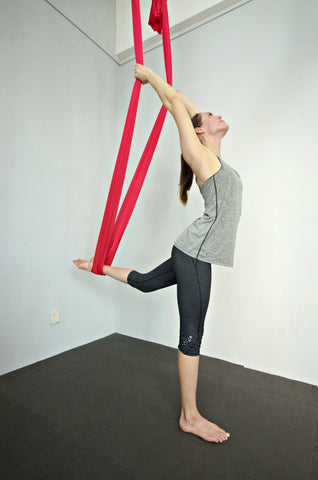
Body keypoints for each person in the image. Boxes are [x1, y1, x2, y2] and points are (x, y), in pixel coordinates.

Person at [73, 64, 242, 443]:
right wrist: (149, 78)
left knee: (148, 283)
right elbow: (175, 104)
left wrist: (171, 93)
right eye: (210, 116)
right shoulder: (199, 156)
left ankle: (95, 266)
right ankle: (190, 416)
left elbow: (181, 100)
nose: (216, 115)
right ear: (200, 130)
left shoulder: (214, 157)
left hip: (193, 251)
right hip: (195, 254)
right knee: (192, 335)